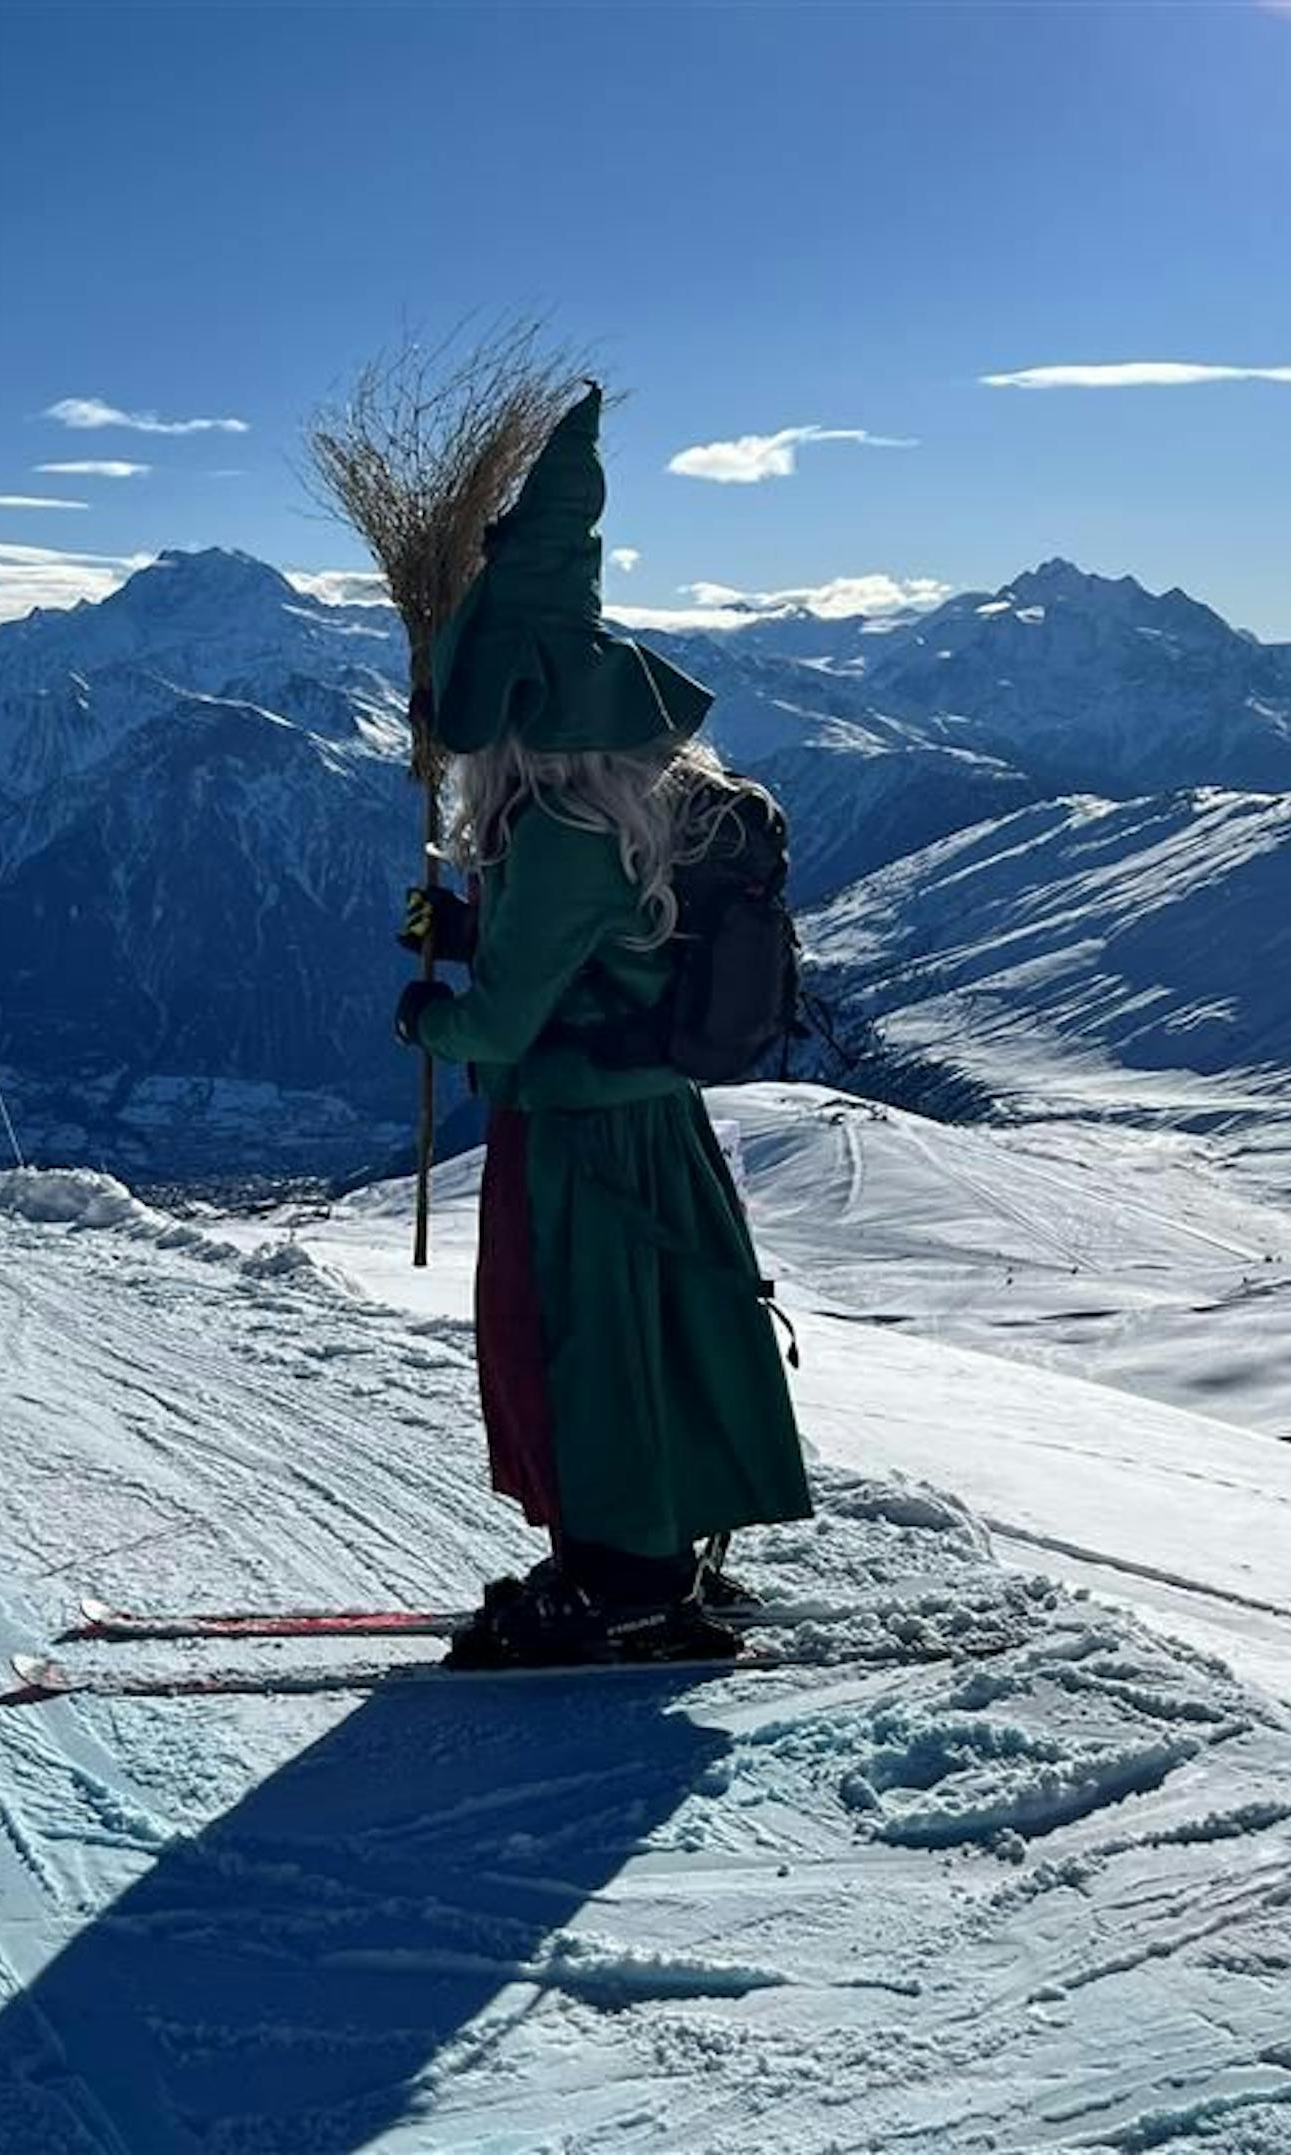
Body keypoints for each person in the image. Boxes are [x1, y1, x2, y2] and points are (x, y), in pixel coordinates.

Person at [393, 384, 813, 1669]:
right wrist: (470, 934)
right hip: (638, 1127)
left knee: (583, 1346)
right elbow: (590, 961)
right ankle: (633, 1551)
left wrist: (434, 1014)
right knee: (640, 1334)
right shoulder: (614, 816)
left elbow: (511, 1016)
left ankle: (623, 1577)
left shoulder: (557, 837)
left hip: (582, 1136)